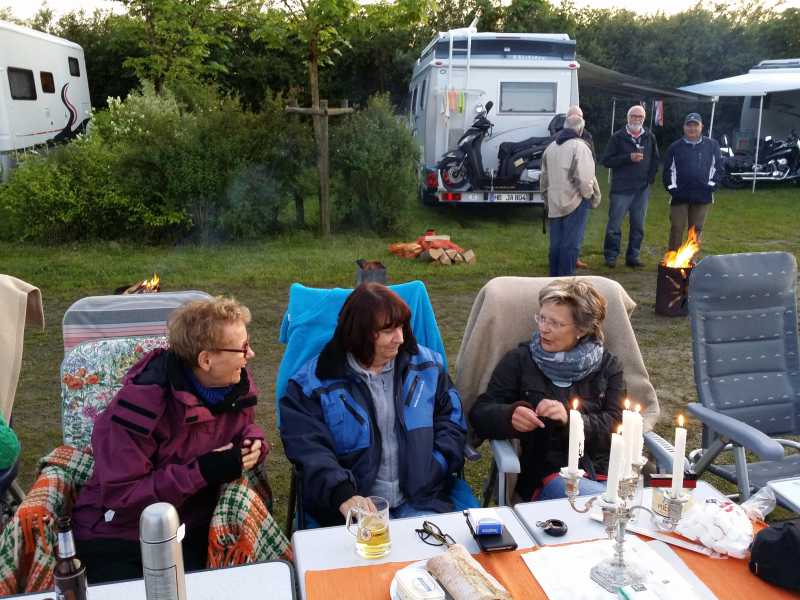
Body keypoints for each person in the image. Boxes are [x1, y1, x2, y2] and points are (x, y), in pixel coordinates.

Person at [72, 297, 268, 583]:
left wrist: (253, 442)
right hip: (122, 536)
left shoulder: (235, 388)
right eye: (242, 347)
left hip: (188, 525)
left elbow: (243, 428)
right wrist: (202, 471)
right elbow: (123, 497)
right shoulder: (138, 409)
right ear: (206, 360)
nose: (251, 353)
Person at [280, 283, 469, 527]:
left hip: (424, 502)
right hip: (351, 515)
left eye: (402, 326)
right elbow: (308, 449)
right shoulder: (310, 386)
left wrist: (436, 464)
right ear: (359, 333)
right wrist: (342, 493)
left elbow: (452, 421)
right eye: (389, 330)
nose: (400, 338)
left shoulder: (428, 367)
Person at [469, 279, 624, 502]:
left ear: (582, 329)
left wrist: (571, 420)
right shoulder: (520, 360)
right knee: (607, 505)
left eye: (556, 323)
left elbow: (618, 423)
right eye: (541, 318)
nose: (544, 328)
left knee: (620, 503)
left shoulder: (608, 366)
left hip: (606, 471)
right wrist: (509, 415)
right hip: (547, 476)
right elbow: (480, 412)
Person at [540, 115, 600, 277]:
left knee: (556, 244)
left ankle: (553, 280)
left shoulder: (550, 147)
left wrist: (546, 198)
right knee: (571, 244)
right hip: (575, 201)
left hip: (554, 202)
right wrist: (589, 196)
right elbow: (585, 178)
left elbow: (544, 178)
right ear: (580, 129)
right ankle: (566, 282)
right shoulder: (580, 147)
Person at [602, 105, 660, 268]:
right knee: (614, 225)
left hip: (641, 189)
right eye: (634, 116)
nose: (637, 119)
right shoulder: (617, 137)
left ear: (644, 119)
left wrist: (649, 179)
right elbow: (606, 161)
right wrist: (628, 158)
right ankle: (611, 256)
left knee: (638, 225)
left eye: (640, 117)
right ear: (628, 118)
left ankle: (633, 256)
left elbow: (655, 159)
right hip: (621, 189)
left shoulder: (649, 136)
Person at [662, 112, 722, 250]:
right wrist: (673, 189)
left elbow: (718, 168)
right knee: (677, 227)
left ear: (701, 127)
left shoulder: (712, 145)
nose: (692, 128)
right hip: (679, 195)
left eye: (695, 125)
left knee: (696, 230)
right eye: (689, 125)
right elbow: (668, 170)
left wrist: (710, 187)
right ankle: (672, 258)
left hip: (702, 195)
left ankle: (691, 259)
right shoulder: (675, 147)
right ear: (684, 127)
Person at [566, 105, 594, 270]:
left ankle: (575, 257)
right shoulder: (560, 137)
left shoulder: (587, 136)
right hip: (567, 189)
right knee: (565, 228)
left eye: (579, 117)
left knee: (578, 228)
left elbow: (592, 158)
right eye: (573, 116)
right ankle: (564, 260)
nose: (576, 120)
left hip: (582, 186)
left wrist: (589, 185)